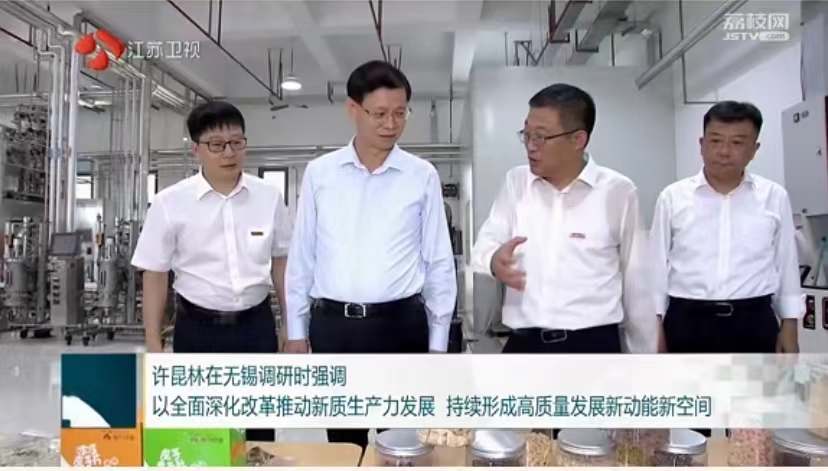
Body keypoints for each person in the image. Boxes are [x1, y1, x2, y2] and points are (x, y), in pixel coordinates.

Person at [283, 60, 456, 448]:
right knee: (346, 444)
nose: (391, 124)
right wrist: (296, 331)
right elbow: (303, 257)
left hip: (401, 327)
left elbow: (439, 262)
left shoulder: (421, 175)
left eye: (400, 113)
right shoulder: (321, 173)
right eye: (379, 114)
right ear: (353, 109)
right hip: (334, 329)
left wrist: (438, 343)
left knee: (404, 442)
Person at [131, 101, 291, 441]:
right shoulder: (170, 202)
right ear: (196, 149)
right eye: (216, 145)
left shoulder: (268, 197)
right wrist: (153, 343)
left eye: (236, 142)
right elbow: (155, 274)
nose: (229, 153)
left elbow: (282, 263)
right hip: (197, 329)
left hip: (256, 327)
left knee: (259, 427)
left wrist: (291, 325)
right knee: (202, 432)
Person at [470, 83, 656, 355]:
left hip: (593, 347)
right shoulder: (516, 182)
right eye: (526, 134)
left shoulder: (618, 191)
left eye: (541, 137)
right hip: (526, 345)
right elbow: (484, 245)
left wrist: (646, 358)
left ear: (578, 139)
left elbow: (637, 282)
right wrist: (493, 261)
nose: (530, 146)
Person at [651, 101, 802, 358]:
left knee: (757, 386)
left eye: (737, 143)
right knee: (688, 386)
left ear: (754, 150)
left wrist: (790, 324)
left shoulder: (774, 197)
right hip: (687, 321)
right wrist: (654, 327)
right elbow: (655, 268)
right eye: (716, 141)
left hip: (753, 320)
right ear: (701, 144)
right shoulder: (672, 197)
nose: (723, 151)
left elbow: (786, 264)